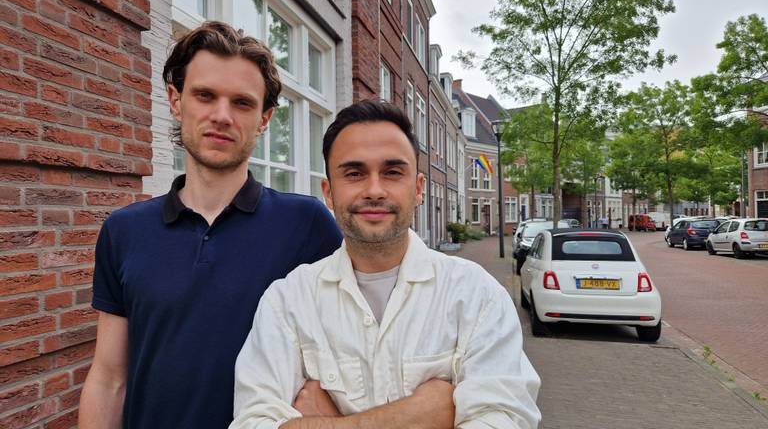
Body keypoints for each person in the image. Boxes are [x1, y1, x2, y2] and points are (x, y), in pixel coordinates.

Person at [78, 22, 342, 429]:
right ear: (175, 100)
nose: (222, 115)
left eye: (242, 102)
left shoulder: (308, 226)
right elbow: (110, 377)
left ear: (264, 119)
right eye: (205, 95)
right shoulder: (124, 231)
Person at [230, 100, 541, 428]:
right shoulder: (290, 300)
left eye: (392, 172)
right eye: (354, 173)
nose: (374, 190)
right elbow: (253, 421)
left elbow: (506, 418)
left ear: (418, 189)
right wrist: (418, 414)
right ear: (329, 193)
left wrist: (330, 422)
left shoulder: (476, 295)